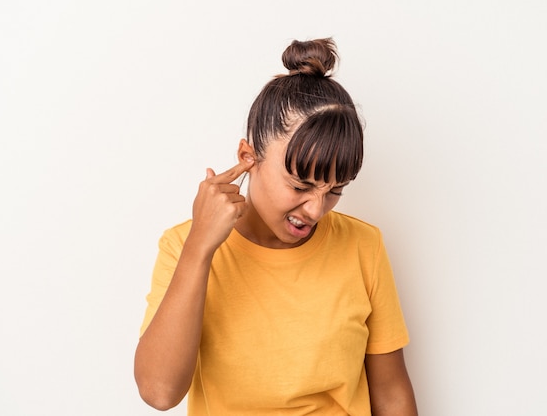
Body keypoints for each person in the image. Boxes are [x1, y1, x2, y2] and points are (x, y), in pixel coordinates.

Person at [134, 38, 417, 416]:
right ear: (248, 157)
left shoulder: (364, 246)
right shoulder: (183, 246)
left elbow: (391, 390)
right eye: (300, 186)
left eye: (335, 191)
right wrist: (201, 247)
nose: (316, 209)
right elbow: (159, 392)